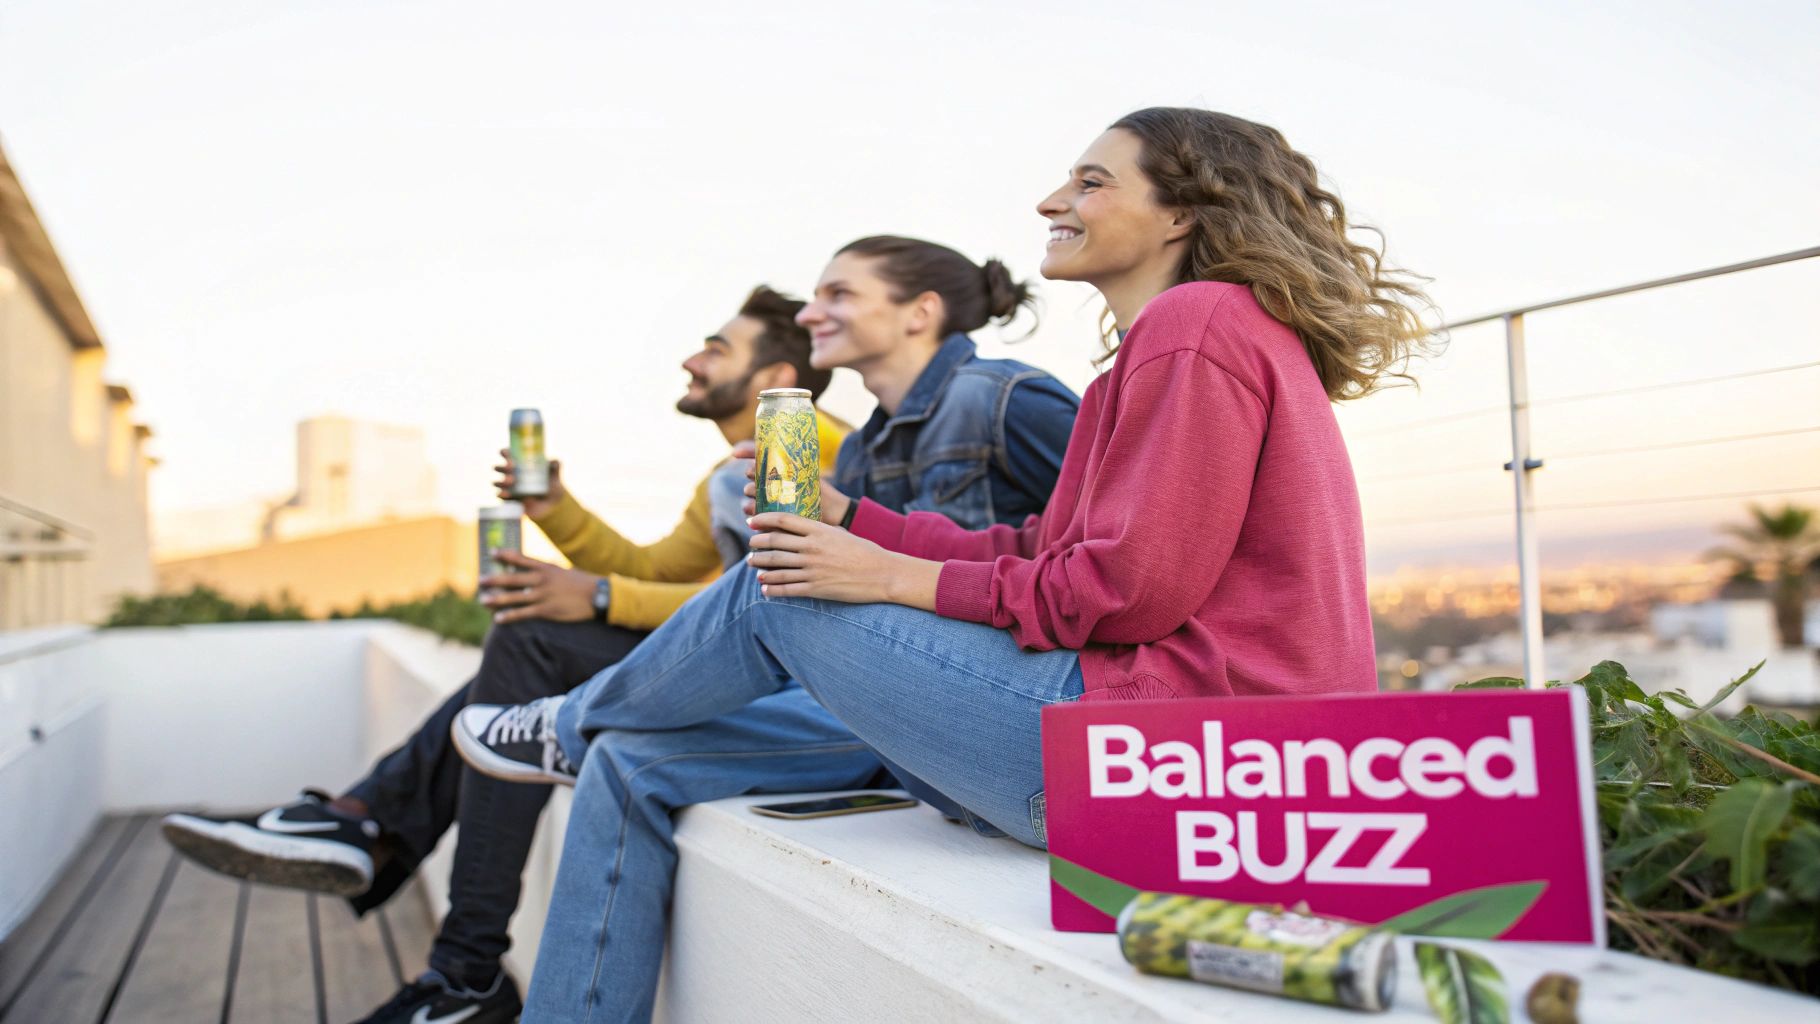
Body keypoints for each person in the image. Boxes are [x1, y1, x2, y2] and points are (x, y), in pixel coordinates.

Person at [459, 108, 1432, 1022]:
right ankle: (586, 772)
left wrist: (878, 575)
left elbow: (1123, 592)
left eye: (1089, 182)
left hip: (1162, 761)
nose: (1052, 202)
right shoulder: (1169, 346)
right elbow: (1048, 552)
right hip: (1160, 752)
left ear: (1178, 210)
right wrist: (857, 521)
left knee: (775, 579)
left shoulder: (1197, 327)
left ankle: (567, 725)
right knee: (638, 751)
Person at [159, 285, 845, 1024]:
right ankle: (420, 908)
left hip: (785, 689)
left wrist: (601, 600)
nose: (690, 359)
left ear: (776, 380)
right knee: (521, 654)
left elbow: (773, 597)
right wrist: (557, 512)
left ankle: (405, 882)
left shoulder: (826, 447)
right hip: (724, 666)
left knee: (529, 644)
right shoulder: (726, 472)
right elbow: (665, 570)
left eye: (715, 348)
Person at [450, 237, 1080, 1021]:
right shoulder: (874, 442)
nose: (813, 311)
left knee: (769, 577)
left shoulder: (1006, 397)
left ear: (921, 312)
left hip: (993, 710)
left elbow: (1093, 559)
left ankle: (562, 730)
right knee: (624, 761)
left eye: (839, 294)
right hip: (871, 710)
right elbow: (675, 570)